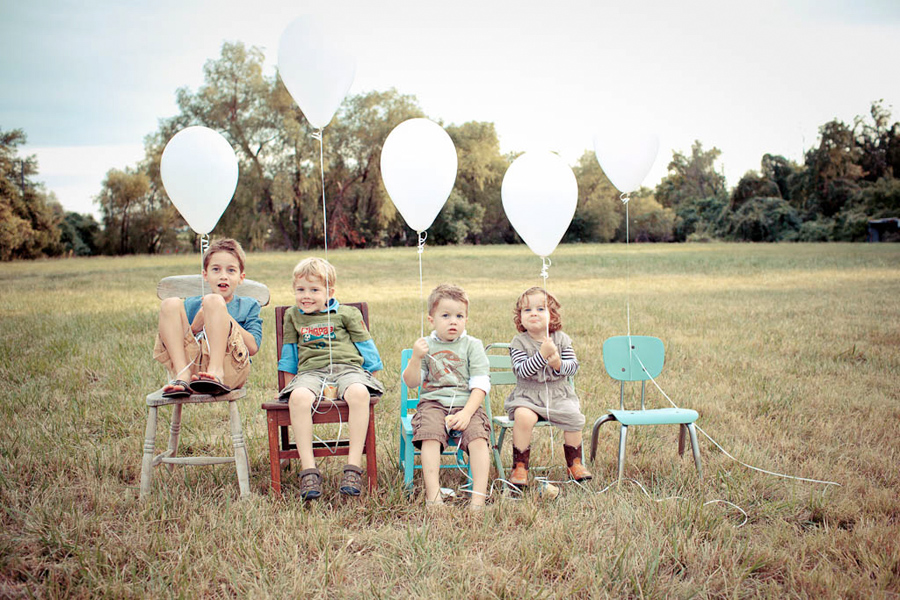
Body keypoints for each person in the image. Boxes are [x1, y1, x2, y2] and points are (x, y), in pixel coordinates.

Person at [277, 257, 384, 500]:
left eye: (314, 290)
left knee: (359, 393)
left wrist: (371, 379)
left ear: (330, 291)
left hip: (347, 369)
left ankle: (353, 468)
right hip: (311, 373)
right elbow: (289, 356)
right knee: (299, 398)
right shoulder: (293, 315)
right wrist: (286, 388)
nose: (306, 295)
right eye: (300, 290)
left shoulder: (347, 313)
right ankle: (309, 471)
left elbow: (367, 349)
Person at [401, 284, 492, 510]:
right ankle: (434, 496)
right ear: (431, 319)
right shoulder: (425, 346)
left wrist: (467, 413)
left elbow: (480, 385)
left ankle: (478, 499)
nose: (453, 321)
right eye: (446, 315)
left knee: (479, 438)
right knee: (431, 435)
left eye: (459, 316)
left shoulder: (473, 346)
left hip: (467, 404)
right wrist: (415, 358)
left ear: (466, 320)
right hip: (433, 404)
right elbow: (411, 382)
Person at [504, 286, 592, 488]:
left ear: (552, 315)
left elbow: (573, 368)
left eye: (540, 309)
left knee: (573, 415)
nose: (533, 313)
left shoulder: (561, 339)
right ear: (520, 318)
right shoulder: (518, 342)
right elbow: (521, 371)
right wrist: (541, 356)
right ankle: (520, 466)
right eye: (527, 310)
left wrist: (558, 364)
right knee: (523, 417)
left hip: (558, 395)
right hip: (528, 397)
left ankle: (575, 463)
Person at [154, 238, 262, 399]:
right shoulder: (192, 304)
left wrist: (223, 315)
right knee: (169, 304)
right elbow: (180, 340)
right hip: (192, 370)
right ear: (205, 275)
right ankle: (181, 375)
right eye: (216, 269)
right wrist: (195, 327)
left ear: (241, 277)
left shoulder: (248, 305)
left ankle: (215, 371)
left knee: (214, 301)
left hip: (229, 371)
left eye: (231, 270)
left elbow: (253, 347)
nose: (223, 276)